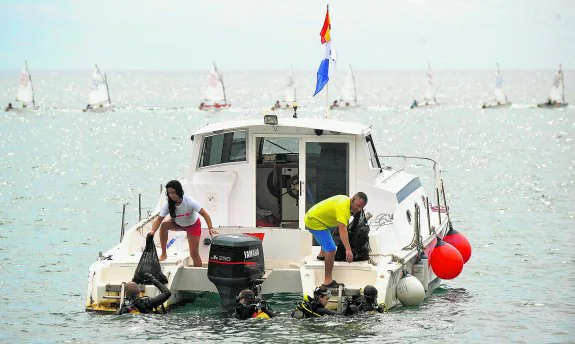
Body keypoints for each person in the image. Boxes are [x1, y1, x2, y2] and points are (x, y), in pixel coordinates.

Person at [304, 192, 368, 288]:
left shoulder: (345, 200)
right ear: (353, 199)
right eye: (358, 206)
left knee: (334, 226)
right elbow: (342, 229)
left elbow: (341, 225)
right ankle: (328, 281)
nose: (359, 209)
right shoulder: (343, 208)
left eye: (361, 208)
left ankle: (322, 254)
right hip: (314, 221)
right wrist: (348, 250)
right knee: (331, 250)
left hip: (317, 217)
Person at [149, 180, 216, 266]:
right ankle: (164, 253)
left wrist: (210, 228)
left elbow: (205, 214)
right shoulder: (168, 205)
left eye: (173, 192)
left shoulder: (189, 201)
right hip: (178, 224)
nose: (171, 195)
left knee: (194, 254)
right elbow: (159, 220)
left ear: (179, 191)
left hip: (193, 225)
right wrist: (153, 231)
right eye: (169, 193)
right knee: (164, 225)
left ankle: (198, 271)